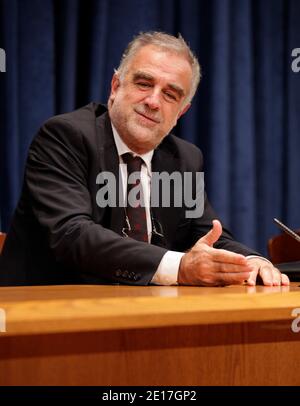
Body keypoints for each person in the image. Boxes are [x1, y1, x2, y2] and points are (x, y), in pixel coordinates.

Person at [0, 31, 289, 287]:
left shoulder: (183, 158)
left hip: (139, 316)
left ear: (181, 113)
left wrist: (251, 261)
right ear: (115, 87)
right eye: (143, 83)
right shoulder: (66, 137)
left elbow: (209, 234)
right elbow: (72, 235)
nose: (153, 101)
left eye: (170, 95)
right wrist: (181, 268)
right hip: (44, 315)